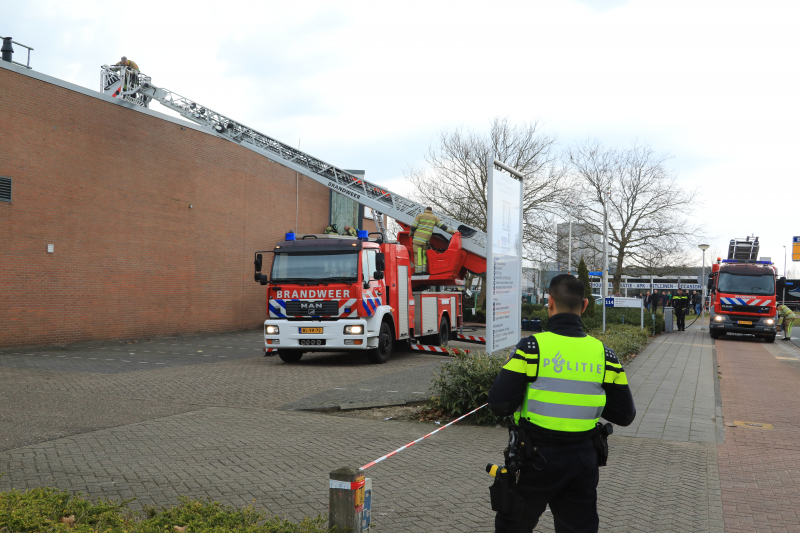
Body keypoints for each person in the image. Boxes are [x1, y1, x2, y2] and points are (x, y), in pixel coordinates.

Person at [488, 274, 636, 533]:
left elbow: (499, 403)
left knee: (514, 526)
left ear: (550, 303)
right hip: (582, 461)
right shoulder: (606, 355)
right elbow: (625, 415)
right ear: (585, 305)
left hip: (535, 459)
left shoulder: (531, 348)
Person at [410, 206, 455, 274]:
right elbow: (443, 227)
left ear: (425, 210)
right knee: (424, 255)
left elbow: (413, 227)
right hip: (426, 241)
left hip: (417, 241)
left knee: (418, 254)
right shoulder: (434, 218)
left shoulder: (420, 216)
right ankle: (424, 271)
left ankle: (418, 272)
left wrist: (410, 234)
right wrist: (453, 232)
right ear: (431, 211)